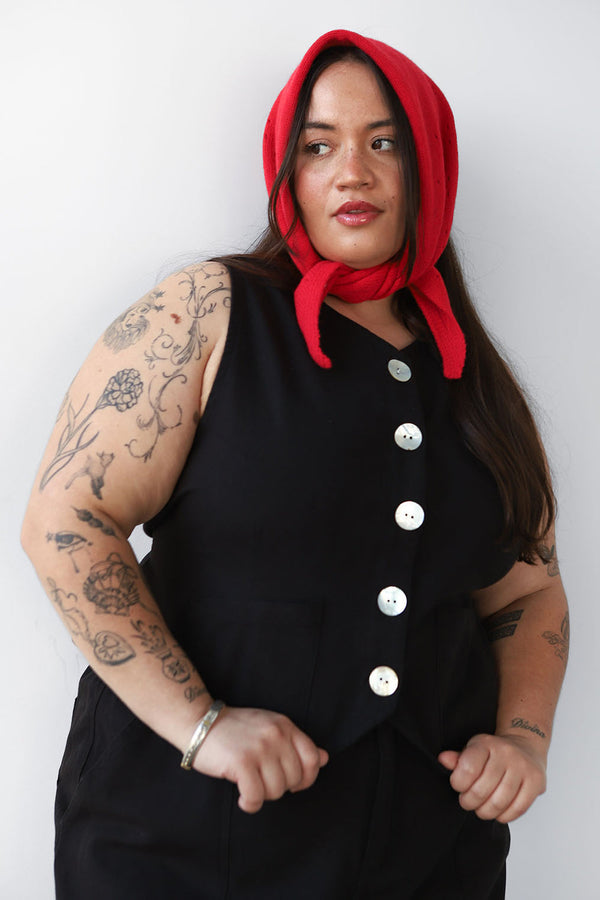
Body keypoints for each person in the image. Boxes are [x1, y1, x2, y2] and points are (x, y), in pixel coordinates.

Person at [22, 29, 568, 900]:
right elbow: (66, 522)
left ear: (430, 165)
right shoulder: (205, 311)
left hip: (426, 853)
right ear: (287, 171)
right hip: (182, 841)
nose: (352, 173)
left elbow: (528, 592)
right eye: (318, 146)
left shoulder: (478, 378)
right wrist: (201, 726)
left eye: (385, 142)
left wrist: (523, 740)